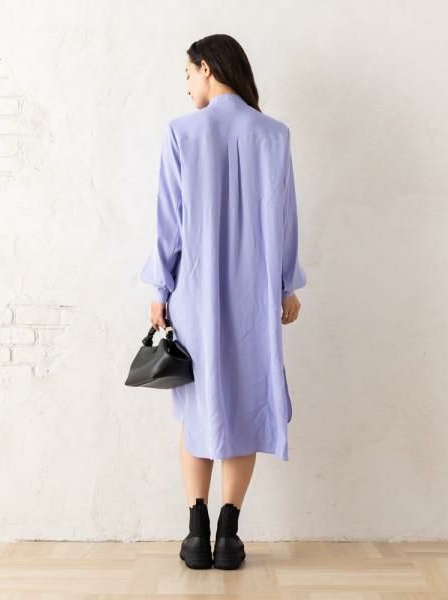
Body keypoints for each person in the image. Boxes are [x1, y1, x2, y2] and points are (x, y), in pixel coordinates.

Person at [140, 34, 307, 570]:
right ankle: (229, 537)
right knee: (244, 403)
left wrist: (160, 289)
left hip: (194, 293)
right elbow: (285, 218)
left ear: (207, 68)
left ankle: (196, 534)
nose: (188, 85)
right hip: (255, 296)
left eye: (189, 74)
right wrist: (286, 285)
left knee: (198, 409)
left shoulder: (181, 133)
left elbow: (169, 221)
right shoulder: (273, 134)